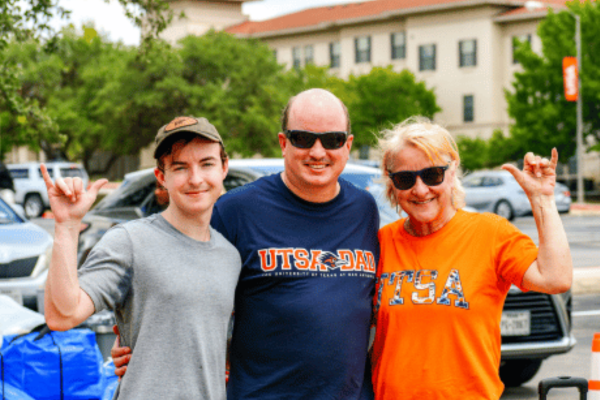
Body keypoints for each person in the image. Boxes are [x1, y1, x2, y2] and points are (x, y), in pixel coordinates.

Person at [113, 89, 380, 399]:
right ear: (283, 143)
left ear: (348, 145)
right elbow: (181, 291)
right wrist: (141, 342)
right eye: (303, 139)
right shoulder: (236, 211)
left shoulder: (364, 210)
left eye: (332, 140)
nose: (318, 152)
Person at [371, 117, 572, 400]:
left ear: (452, 171)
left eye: (432, 175)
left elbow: (555, 278)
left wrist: (542, 199)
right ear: (391, 183)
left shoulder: (490, 233)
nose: (420, 189)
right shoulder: (381, 243)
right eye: (405, 179)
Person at [43, 116, 242, 399]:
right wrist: (66, 225)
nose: (195, 178)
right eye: (180, 167)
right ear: (162, 177)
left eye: (206, 164)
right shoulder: (129, 241)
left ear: (224, 168)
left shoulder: (230, 257)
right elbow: (62, 315)